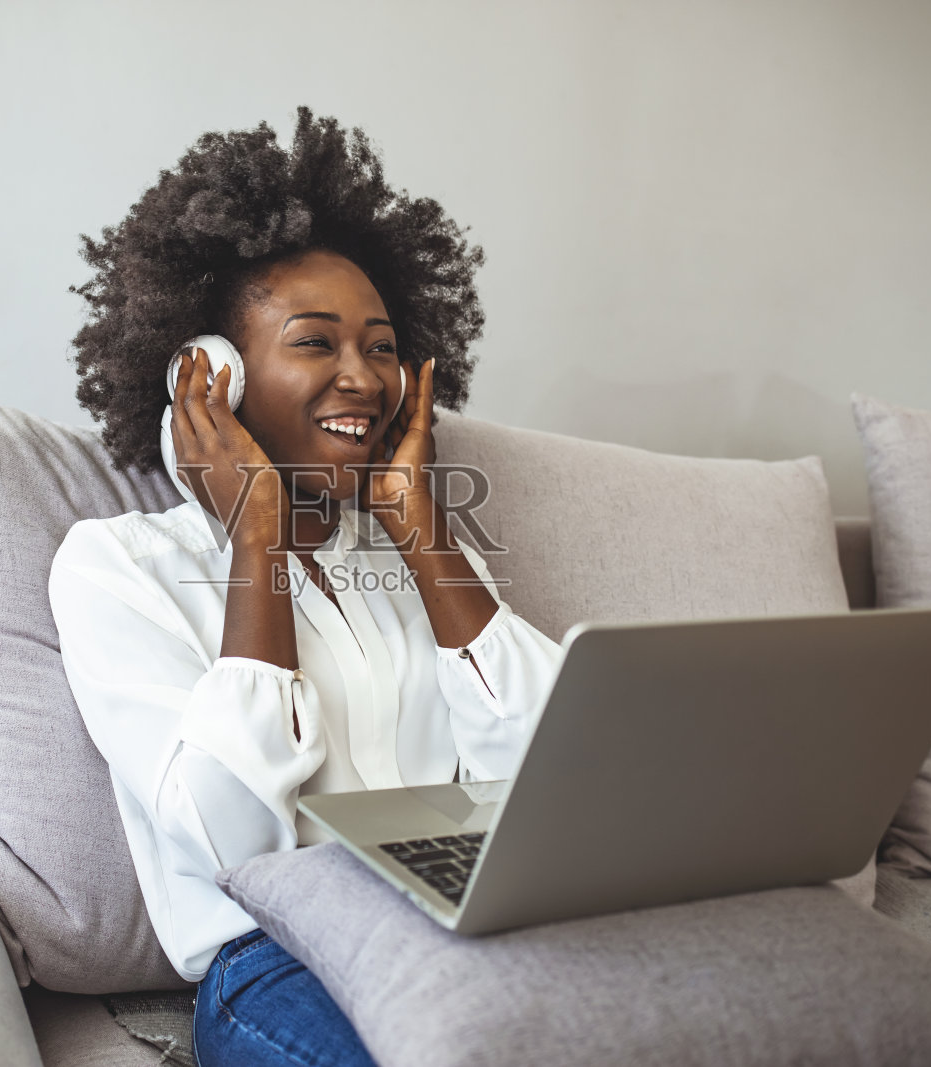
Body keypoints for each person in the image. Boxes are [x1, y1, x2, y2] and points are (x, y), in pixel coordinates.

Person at [52, 107, 563, 1067]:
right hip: (279, 962)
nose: (364, 378)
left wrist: (423, 538)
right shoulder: (117, 566)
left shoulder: (426, 552)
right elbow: (226, 840)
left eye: (380, 347)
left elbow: (548, 779)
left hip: (466, 929)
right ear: (214, 376)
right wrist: (258, 534)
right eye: (318, 343)